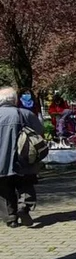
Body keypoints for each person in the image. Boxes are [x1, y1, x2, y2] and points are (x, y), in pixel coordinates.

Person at [0, 87, 44, 228]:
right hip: (24, 157)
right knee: (26, 184)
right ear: (15, 99)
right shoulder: (25, 114)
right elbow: (39, 132)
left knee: (4, 190)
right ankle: (23, 207)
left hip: (1, 161)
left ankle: (10, 218)